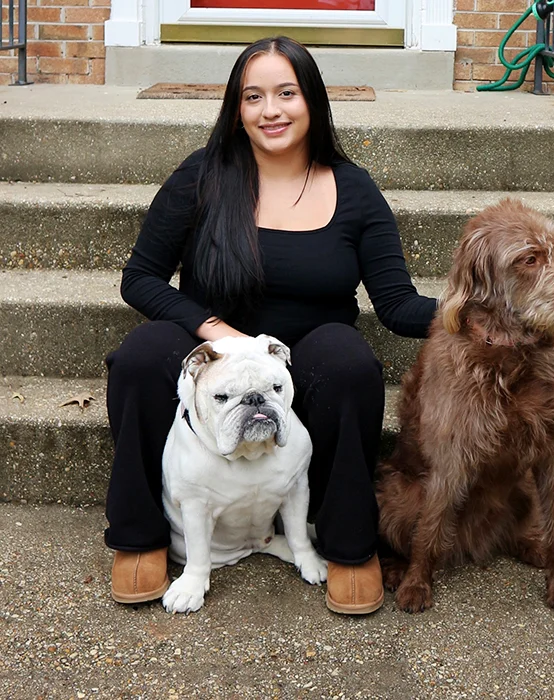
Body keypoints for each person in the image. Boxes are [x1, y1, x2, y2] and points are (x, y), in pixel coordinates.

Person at [105, 36, 437, 615]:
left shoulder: (353, 190)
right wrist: (212, 330)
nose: (271, 110)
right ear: (237, 108)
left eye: (287, 93)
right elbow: (141, 278)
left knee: (351, 364)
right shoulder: (202, 176)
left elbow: (398, 305)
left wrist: (479, 314)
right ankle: (141, 536)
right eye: (253, 96)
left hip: (304, 356)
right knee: (140, 356)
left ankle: (347, 545)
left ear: (312, 100)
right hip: (208, 351)